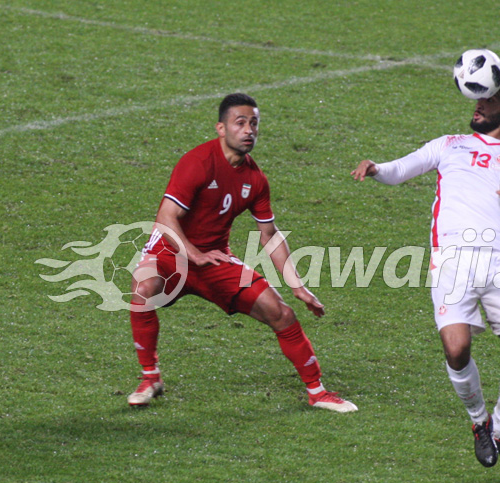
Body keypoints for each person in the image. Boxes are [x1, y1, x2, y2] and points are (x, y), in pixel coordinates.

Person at [351, 77, 500, 477]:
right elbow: (402, 169)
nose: (480, 103)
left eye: (491, 100)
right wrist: (376, 168)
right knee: (456, 349)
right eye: (479, 97)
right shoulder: (448, 144)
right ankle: (479, 423)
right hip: (452, 260)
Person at [128, 92, 357, 413]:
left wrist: (297, 286)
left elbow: (270, 236)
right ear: (221, 128)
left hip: (214, 259)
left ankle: (317, 392)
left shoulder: (255, 180)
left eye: (254, 123)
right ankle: (150, 377)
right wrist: (194, 255)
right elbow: (165, 218)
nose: (248, 130)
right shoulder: (197, 163)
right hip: (171, 252)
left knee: (281, 313)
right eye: (240, 123)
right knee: (142, 289)